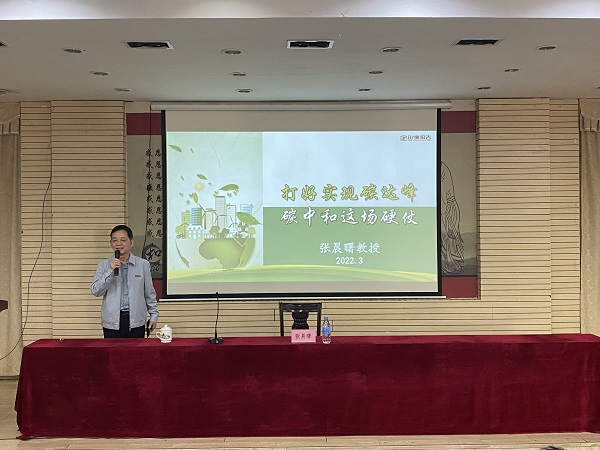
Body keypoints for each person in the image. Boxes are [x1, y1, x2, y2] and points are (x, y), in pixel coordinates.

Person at [91, 225, 159, 338]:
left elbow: (149, 293)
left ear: (131, 242)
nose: (118, 243)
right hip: (112, 322)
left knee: (136, 350)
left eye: (123, 240)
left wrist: (153, 315)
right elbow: (96, 291)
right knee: (112, 350)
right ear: (110, 243)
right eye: (114, 240)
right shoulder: (103, 265)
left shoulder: (143, 265)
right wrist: (110, 271)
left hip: (136, 321)